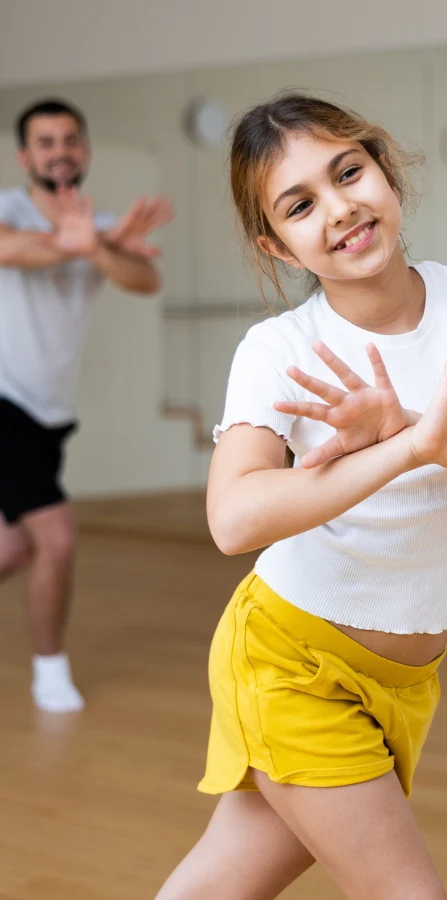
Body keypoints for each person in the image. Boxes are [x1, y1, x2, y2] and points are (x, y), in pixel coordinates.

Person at [156, 93, 447, 900]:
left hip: (402, 681)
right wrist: (406, 448)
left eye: (349, 171)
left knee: (217, 887)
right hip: (289, 665)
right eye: (300, 204)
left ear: (385, 170)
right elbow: (233, 518)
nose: (341, 208)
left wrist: (421, 428)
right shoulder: (282, 348)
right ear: (275, 245)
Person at [0, 98, 173, 713]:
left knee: (13, 548)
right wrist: (88, 242)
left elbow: (144, 280)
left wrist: (99, 244)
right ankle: (50, 672)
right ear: (25, 157)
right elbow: (14, 250)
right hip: (4, 401)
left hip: (48, 413)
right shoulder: (9, 212)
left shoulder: (100, 224)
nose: (60, 151)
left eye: (71, 139)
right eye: (45, 142)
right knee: (58, 539)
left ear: (86, 149)